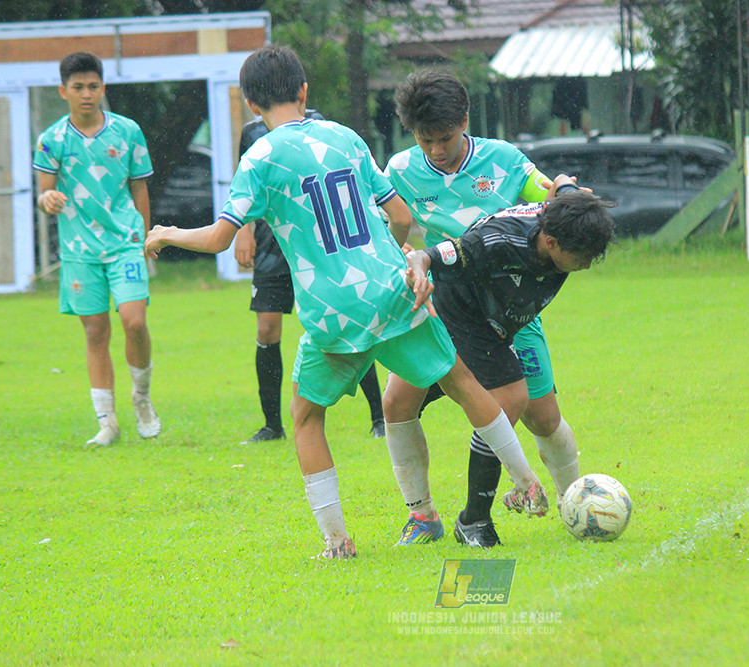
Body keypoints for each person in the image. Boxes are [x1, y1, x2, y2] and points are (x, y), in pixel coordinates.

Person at [144, 45, 547, 559]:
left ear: (250, 104)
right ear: (304, 91)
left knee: (307, 417)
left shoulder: (259, 159)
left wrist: (168, 233)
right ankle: (527, 482)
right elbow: (401, 217)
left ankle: (338, 542)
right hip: (391, 289)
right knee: (463, 381)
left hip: (331, 311)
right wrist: (402, 256)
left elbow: (222, 239)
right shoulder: (344, 136)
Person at [383, 71, 583, 546]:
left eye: (445, 138)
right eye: (424, 139)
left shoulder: (504, 160)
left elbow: (551, 201)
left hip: (512, 312)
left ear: (465, 121)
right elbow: (384, 228)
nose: (435, 149)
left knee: (542, 416)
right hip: (444, 308)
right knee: (395, 401)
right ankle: (423, 516)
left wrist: (567, 190)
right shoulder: (398, 171)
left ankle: (575, 503)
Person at [386, 183, 615, 547]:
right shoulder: (494, 242)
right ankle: (463, 520)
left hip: (500, 324)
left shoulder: (559, 222)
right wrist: (415, 263)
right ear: (552, 243)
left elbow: (563, 190)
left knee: (537, 415)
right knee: (502, 399)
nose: (586, 265)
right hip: (457, 316)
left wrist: (566, 183)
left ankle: (546, 501)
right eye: (581, 257)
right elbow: (433, 255)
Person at [233, 112, 386, 444]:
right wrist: (244, 232)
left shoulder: (321, 127)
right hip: (272, 243)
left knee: (346, 322)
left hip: (317, 246)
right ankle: (272, 425)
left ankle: (379, 417)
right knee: (266, 328)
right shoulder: (253, 134)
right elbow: (245, 187)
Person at [33, 51, 161, 447]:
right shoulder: (51, 139)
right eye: (78, 88)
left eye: (93, 86)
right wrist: (48, 200)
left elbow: (140, 187)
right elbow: (44, 193)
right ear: (63, 91)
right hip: (78, 250)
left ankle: (141, 397)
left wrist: (146, 236)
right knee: (95, 332)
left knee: (134, 321)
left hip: (124, 242)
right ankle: (108, 422)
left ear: (103, 88)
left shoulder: (128, 132)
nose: (86, 94)